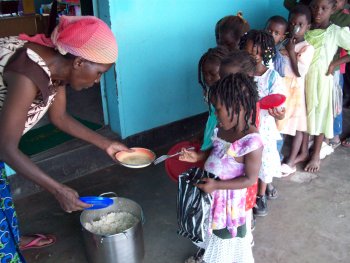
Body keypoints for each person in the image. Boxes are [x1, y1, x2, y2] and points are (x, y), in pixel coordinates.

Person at [0, 15, 130, 261]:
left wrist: (106, 144)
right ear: (80, 62)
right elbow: (6, 147)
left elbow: (60, 117)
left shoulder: (58, 64)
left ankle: (11, 239)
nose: (98, 81)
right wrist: (57, 189)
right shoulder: (29, 73)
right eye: (99, 72)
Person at [182, 73, 263, 263]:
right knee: (210, 236)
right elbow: (215, 150)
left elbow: (250, 179)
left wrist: (217, 186)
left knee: (225, 247)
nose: (215, 115)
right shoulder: (222, 128)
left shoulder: (252, 141)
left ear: (237, 107)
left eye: (218, 110)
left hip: (228, 209)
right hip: (211, 201)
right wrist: (199, 156)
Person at [240, 30, 286, 215]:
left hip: (264, 128)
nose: (254, 56)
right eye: (250, 51)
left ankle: (261, 194)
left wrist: (279, 114)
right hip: (244, 126)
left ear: (268, 52)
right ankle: (245, 188)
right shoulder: (242, 74)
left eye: (258, 52)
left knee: (264, 161)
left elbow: (281, 109)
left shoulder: (272, 77)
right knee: (245, 159)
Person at [303, 0, 350, 172]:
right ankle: (301, 151)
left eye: (324, 8)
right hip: (304, 81)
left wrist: (334, 64)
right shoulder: (306, 29)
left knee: (321, 114)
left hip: (322, 81)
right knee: (305, 115)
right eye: (315, 7)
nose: (318, 12)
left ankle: (315, 153)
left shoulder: (335, 32)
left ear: (333, 9)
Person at [278, 5, 315, 175]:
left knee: (296, 125)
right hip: (280, 90)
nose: (295, 28)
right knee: (280, 124)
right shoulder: (284, 42)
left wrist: (292, 52)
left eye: (300, 24)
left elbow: (299, 72)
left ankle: (291, 160)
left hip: (295, 92)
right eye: (292, 23)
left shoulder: (307, 48)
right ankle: (277, 156)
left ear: (308, 27)